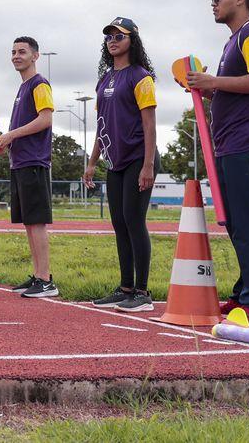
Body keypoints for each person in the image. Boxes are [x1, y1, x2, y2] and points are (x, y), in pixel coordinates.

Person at [186, 0, 249, 329]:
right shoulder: (233, 40)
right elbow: (239, 86)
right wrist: (211, 89)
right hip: (231, 146)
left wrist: (214, 81)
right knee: (238, 225)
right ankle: (246, 293)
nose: (212, 4)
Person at [83, 17, 160, 313]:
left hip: (139, 157)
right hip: (114, 162)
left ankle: (142, 292)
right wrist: (92, 163)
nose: (113, 40)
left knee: (134, 220)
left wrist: (148, 164)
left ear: (133, 40)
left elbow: (150, 124)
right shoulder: (104, 80)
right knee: (119, 223)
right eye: (109, 37)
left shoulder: (141, 77)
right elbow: (102, 125)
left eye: (120, 36)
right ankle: (125, 287)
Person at [0, 36, 58, 298]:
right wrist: (9, 142)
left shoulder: (39, 84)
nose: (16, 56)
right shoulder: (23, 88)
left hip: (34, 161)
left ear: (35, 56)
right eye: (13, 52)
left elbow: (46, 119)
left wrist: (12, 135)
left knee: (37, 222)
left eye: (22, 51)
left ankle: (46, 280)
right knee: (29, 223)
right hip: (20, 161)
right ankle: (38, 275)